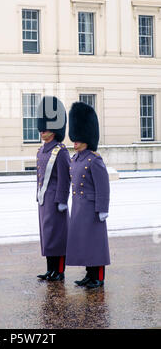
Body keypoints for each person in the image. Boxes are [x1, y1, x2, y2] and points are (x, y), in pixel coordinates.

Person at [66, 101, 110, 289]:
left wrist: (102, 209)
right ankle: (89, 274)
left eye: (77, 138)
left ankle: (98, 276)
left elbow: (103, 187)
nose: (74, 141)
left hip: (92, 208)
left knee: (96, 243)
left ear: (86, 137)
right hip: (79, 207)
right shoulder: (76, 159)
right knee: (84, 242)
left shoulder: (94, 160)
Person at [36, 96, 71, 281]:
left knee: (58, 237)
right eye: (42, 128)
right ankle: (50, 269)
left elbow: (65, 178)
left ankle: (59, 271)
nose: (43, 131)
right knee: (47, 236)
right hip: (44, 200)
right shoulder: (41, 150)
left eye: (46, 128)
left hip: (56, 201)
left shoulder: (61, 151)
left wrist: (62, 201)